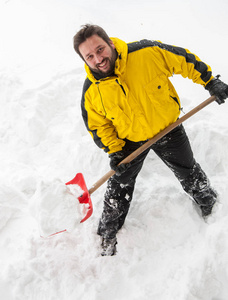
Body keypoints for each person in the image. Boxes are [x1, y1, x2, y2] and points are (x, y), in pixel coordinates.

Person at [73, 24, 228, 256]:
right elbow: (99, 126)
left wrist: (208, 81)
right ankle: (108, 232)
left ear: (111, 43)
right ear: (84, 60)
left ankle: (210, 206)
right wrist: (115, 151)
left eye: (100, 49)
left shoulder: (146, 53)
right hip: (130, 141)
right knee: (119, 185)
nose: (99, 58)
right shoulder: (92, 91)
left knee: (188, 170)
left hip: (168, 128)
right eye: (90, 56)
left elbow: (183, 60)